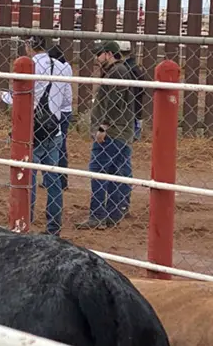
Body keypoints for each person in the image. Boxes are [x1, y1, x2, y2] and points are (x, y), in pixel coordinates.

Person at [78, 41, 135, 230]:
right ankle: (113, 214)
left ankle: (97, 215)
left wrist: (103, 127)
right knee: (115, 173)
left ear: (109, 54)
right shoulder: (121, 70)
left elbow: (114, 102)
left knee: (98, 170)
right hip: (122, 131)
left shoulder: (116, 72)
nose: (96, 58)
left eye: (99, 54)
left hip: (112, 131)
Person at [22, 36, 71, 236]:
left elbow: (20, 95)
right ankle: (53, 227)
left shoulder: (29, 66)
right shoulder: (61, 67)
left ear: (29, 46)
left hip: (32, 129)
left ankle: (25, 220)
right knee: (53, 180)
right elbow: (67, 99)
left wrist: (3, 96)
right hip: (54, 128)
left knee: (29, 176)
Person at [46, 44, 74, 191]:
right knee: (59, 146)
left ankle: (57, 180)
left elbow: (64, 95)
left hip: (58, 111)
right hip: (64, 110)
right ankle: (59, 180)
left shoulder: (57, 68)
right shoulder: (66, 67)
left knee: (55, 146)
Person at [119, 40, 146, 142]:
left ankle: (134, 134)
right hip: (136, 97)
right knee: (136, 114)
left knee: (132, 115)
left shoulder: (126, 68)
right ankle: (135, 132)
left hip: (131, 99)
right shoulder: (134, 66)